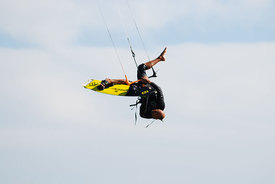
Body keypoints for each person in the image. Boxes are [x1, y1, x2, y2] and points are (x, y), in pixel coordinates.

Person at [98, 47, 167, 120]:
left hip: (142, 93)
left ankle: (110, 81)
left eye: (155, 113)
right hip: (150, 88)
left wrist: (144, 97)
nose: (155, 110)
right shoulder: (161, 105)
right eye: (157, 110)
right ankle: (160, 58)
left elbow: (143, 108)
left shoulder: (146, 114)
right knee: (141, 67)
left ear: (155, 118)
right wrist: (148, 81)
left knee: (132, 88)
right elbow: (159, 89)